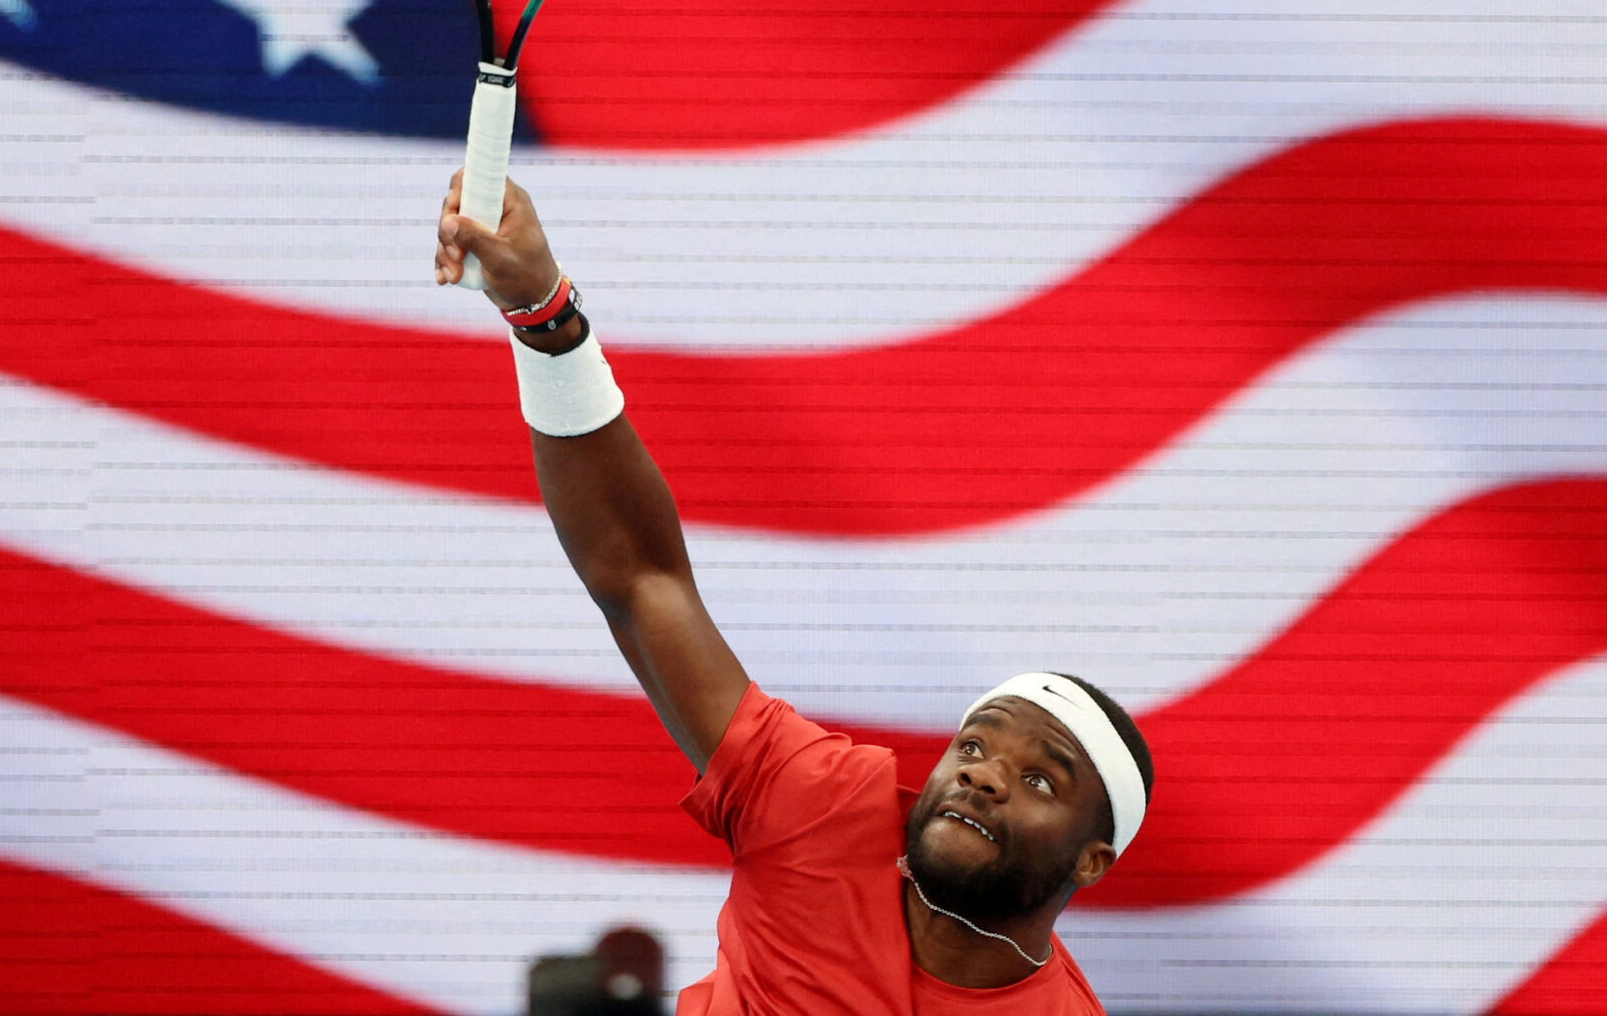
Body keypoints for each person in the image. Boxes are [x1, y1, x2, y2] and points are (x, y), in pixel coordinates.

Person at [438, 176, 1157, 1015]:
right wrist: (543, 316)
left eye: (1041, 782)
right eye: (972, 747)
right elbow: (641, 579)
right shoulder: (826, 807)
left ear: (1092, 860)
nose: (985, 777)